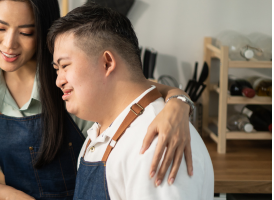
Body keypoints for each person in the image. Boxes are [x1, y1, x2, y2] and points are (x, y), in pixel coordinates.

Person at [0, 0, 195, 199]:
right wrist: (11, 197)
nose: (9, 44)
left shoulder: (70, 79)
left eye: (26, 32)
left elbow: (139, 88)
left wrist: (179, 104)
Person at [47, 3, 214, 199]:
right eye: (57, 69)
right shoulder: (102, 131)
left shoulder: (157, 143)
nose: (59, 80)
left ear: (107, 63)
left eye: (65, 65)